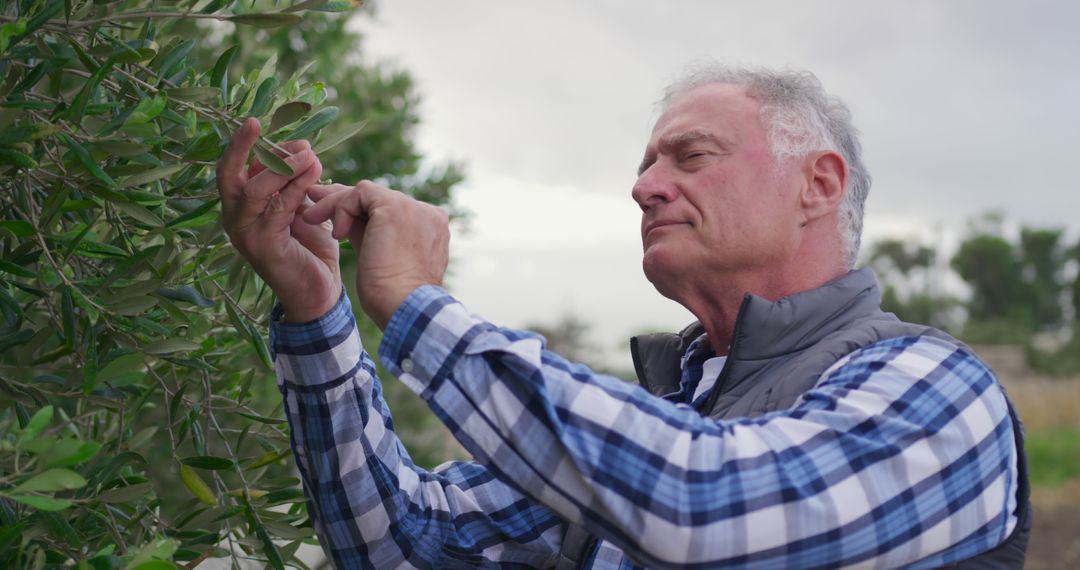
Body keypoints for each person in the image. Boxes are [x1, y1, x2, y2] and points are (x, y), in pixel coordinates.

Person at [216, 65, 1030, 569]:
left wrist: (421, 309)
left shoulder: (937, 392)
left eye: (691, 156)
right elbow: (404, 545)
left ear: (817, 185)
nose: (644, 188)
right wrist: (318, 309)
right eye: (645, 167)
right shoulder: (667, 415)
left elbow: (702, 510)